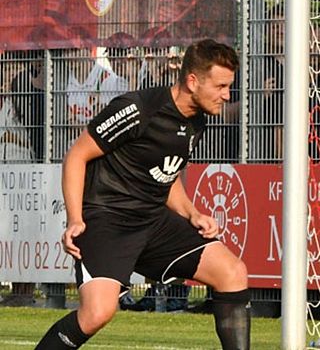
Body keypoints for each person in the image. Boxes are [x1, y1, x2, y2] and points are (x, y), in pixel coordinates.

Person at [35, 39, 250, 350]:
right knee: (97, 313)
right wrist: (75, 219)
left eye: (229, 87)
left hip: (153, 220)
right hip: (107, 219)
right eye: (220, 86)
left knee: (233, 272)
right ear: (192, 81)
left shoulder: (197, 120)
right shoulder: (138, 109)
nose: (226, 95)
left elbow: (166, 173)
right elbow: (76, 157)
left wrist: (191, 213)